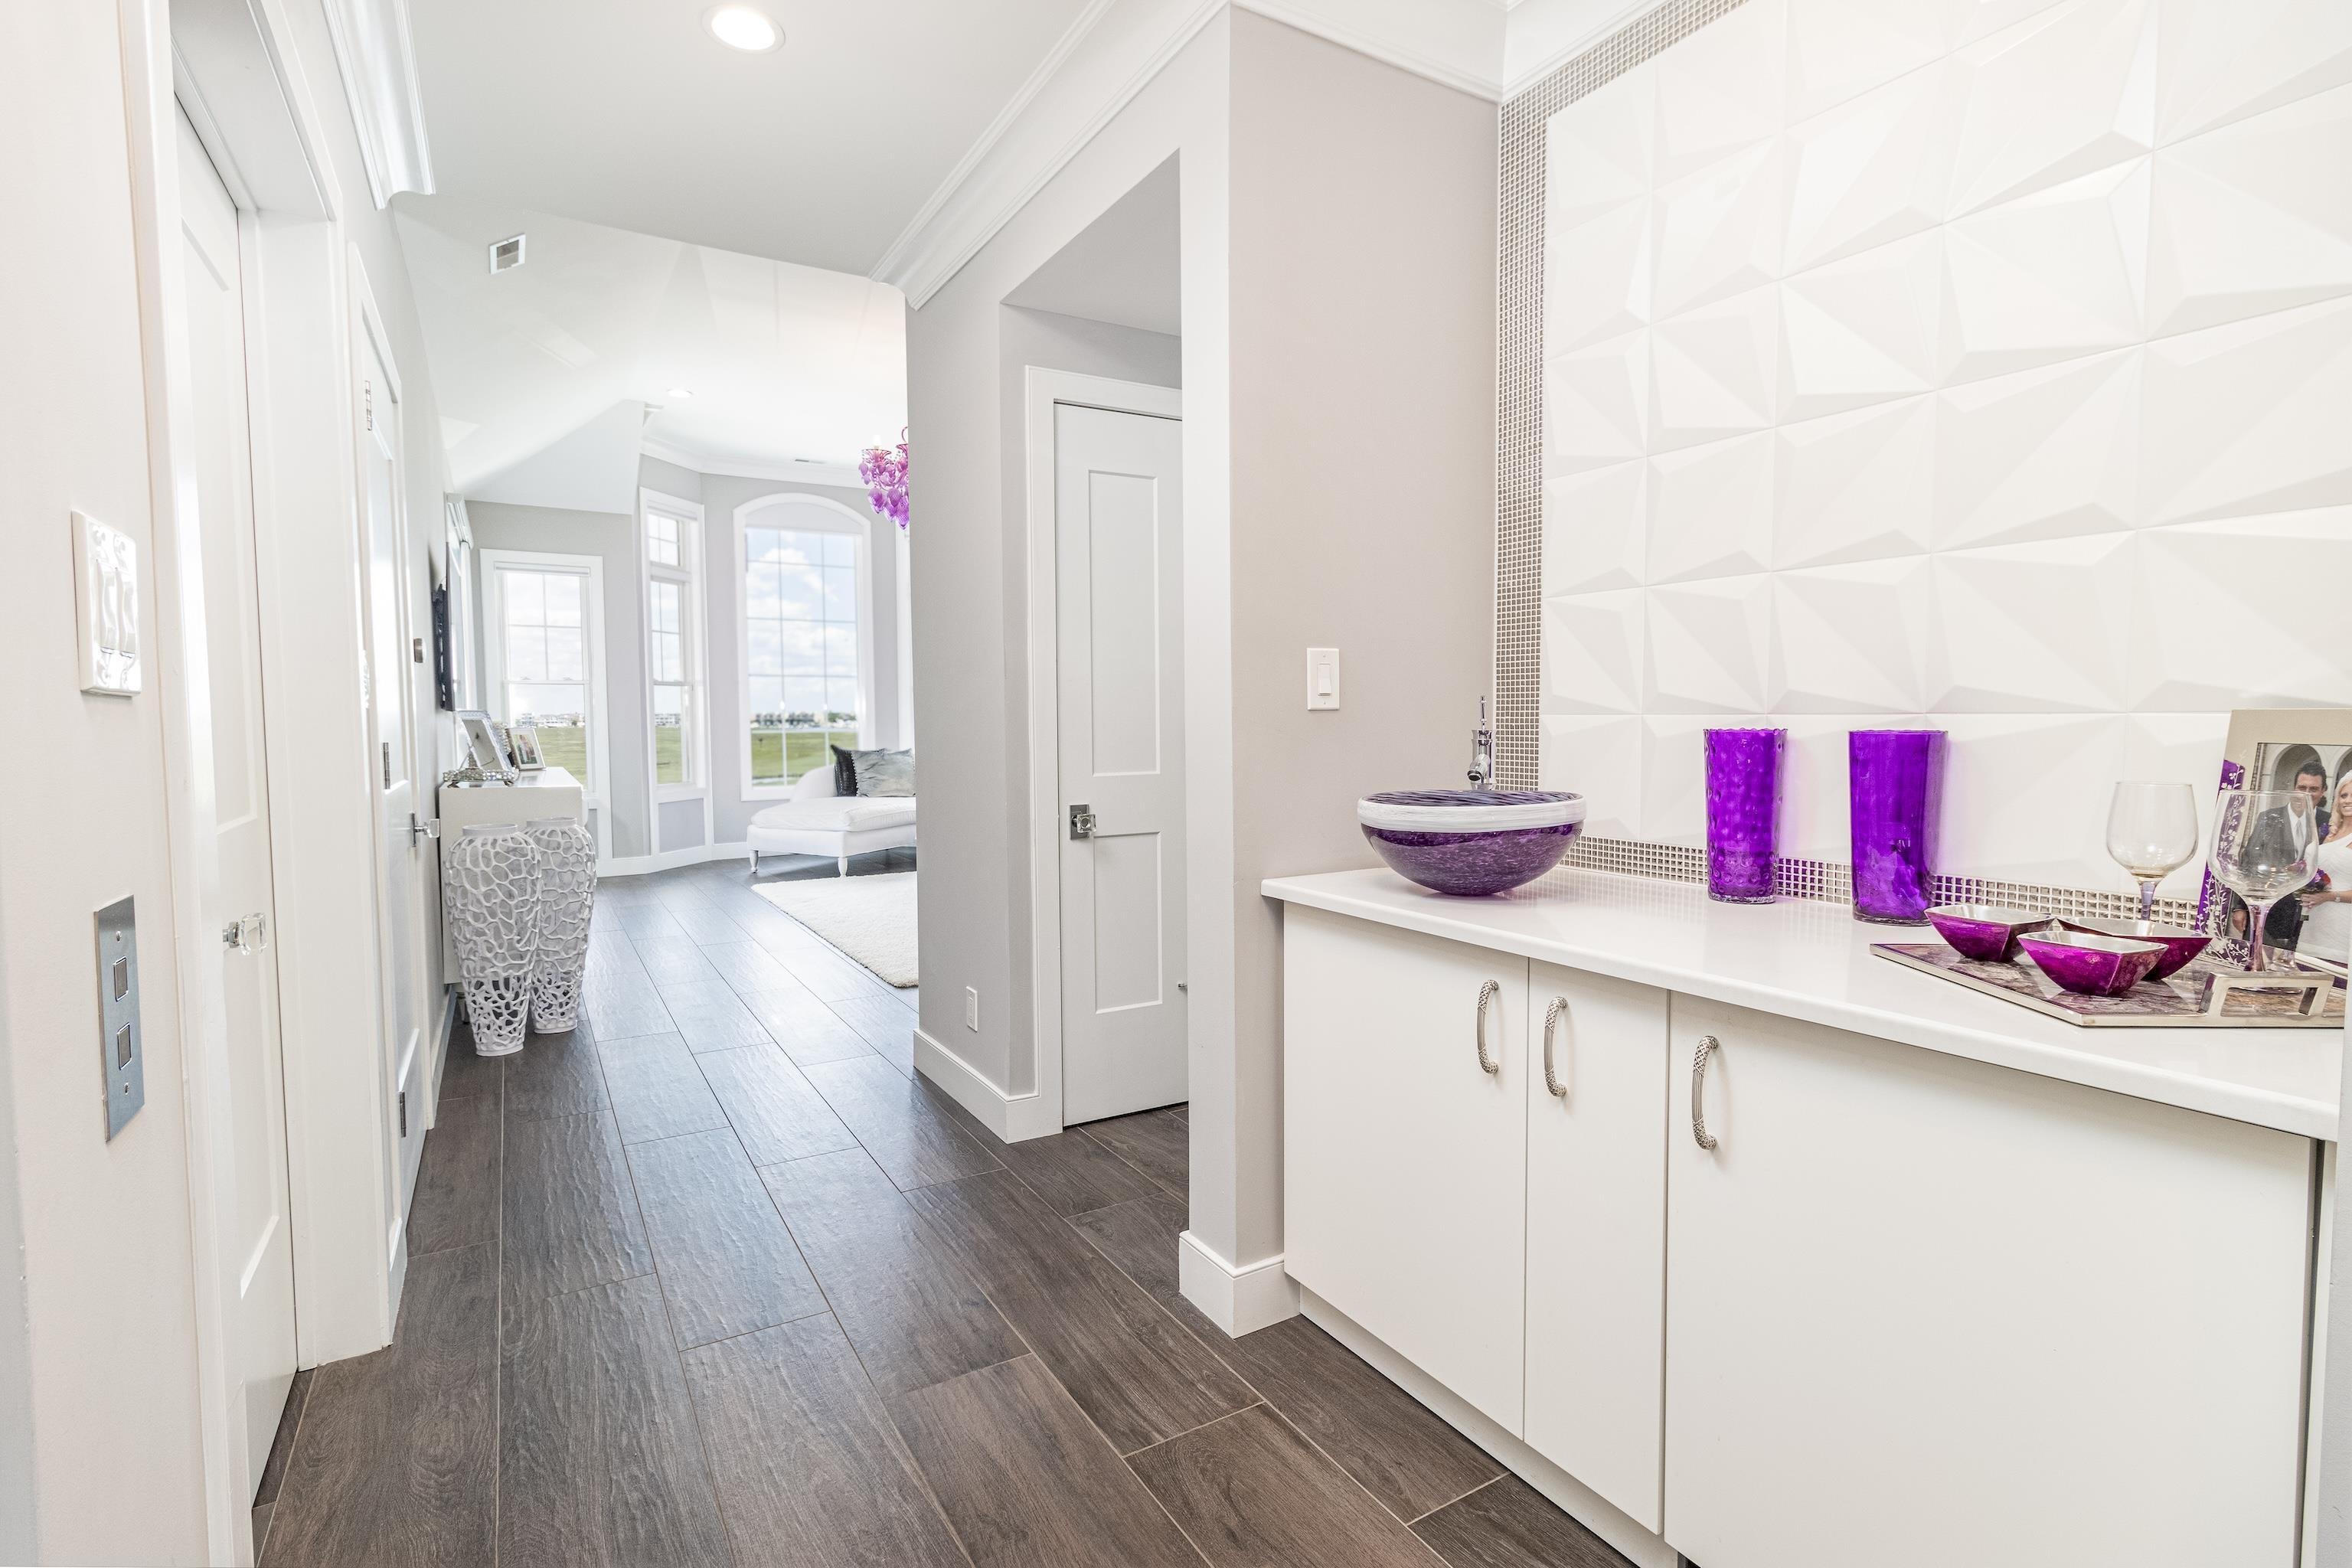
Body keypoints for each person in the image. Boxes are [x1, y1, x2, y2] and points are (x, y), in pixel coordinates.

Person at [2298, 776, 2352, 965]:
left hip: (2342, 933)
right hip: (2312, 926)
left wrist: (2329, 896)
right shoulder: (2329, 833)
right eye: (2344, 795)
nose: (2348, 800)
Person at [2295, 762, 2333, 842]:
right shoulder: (2270, 818)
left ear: (2323, 791)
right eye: (2302, 788)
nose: (2307, 794)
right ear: (2294, 788)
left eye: (2313, 789)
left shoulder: (2331, 822)